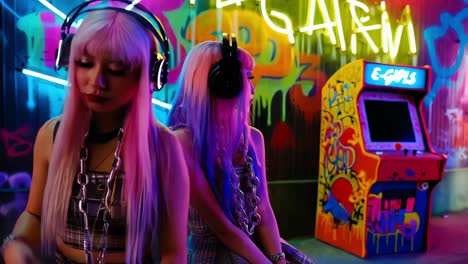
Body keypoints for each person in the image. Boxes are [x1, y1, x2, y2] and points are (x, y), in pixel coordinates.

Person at [1, 1, 189, 263]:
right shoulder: (51, 136)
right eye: (86, 63)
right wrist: (17, 244)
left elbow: (173, 252)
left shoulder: (163, 147)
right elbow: (35, 215)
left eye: (115, 69)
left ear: (148, 75)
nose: (96, 81)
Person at [168, 34, 313, 264]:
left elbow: (264, 209)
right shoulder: (181, 142)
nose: (253, 89)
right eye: (246, 78)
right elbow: (224, 229)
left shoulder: (253, 137)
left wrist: (278, 258)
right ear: (223, 84)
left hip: (253, 244)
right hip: (215, 253)